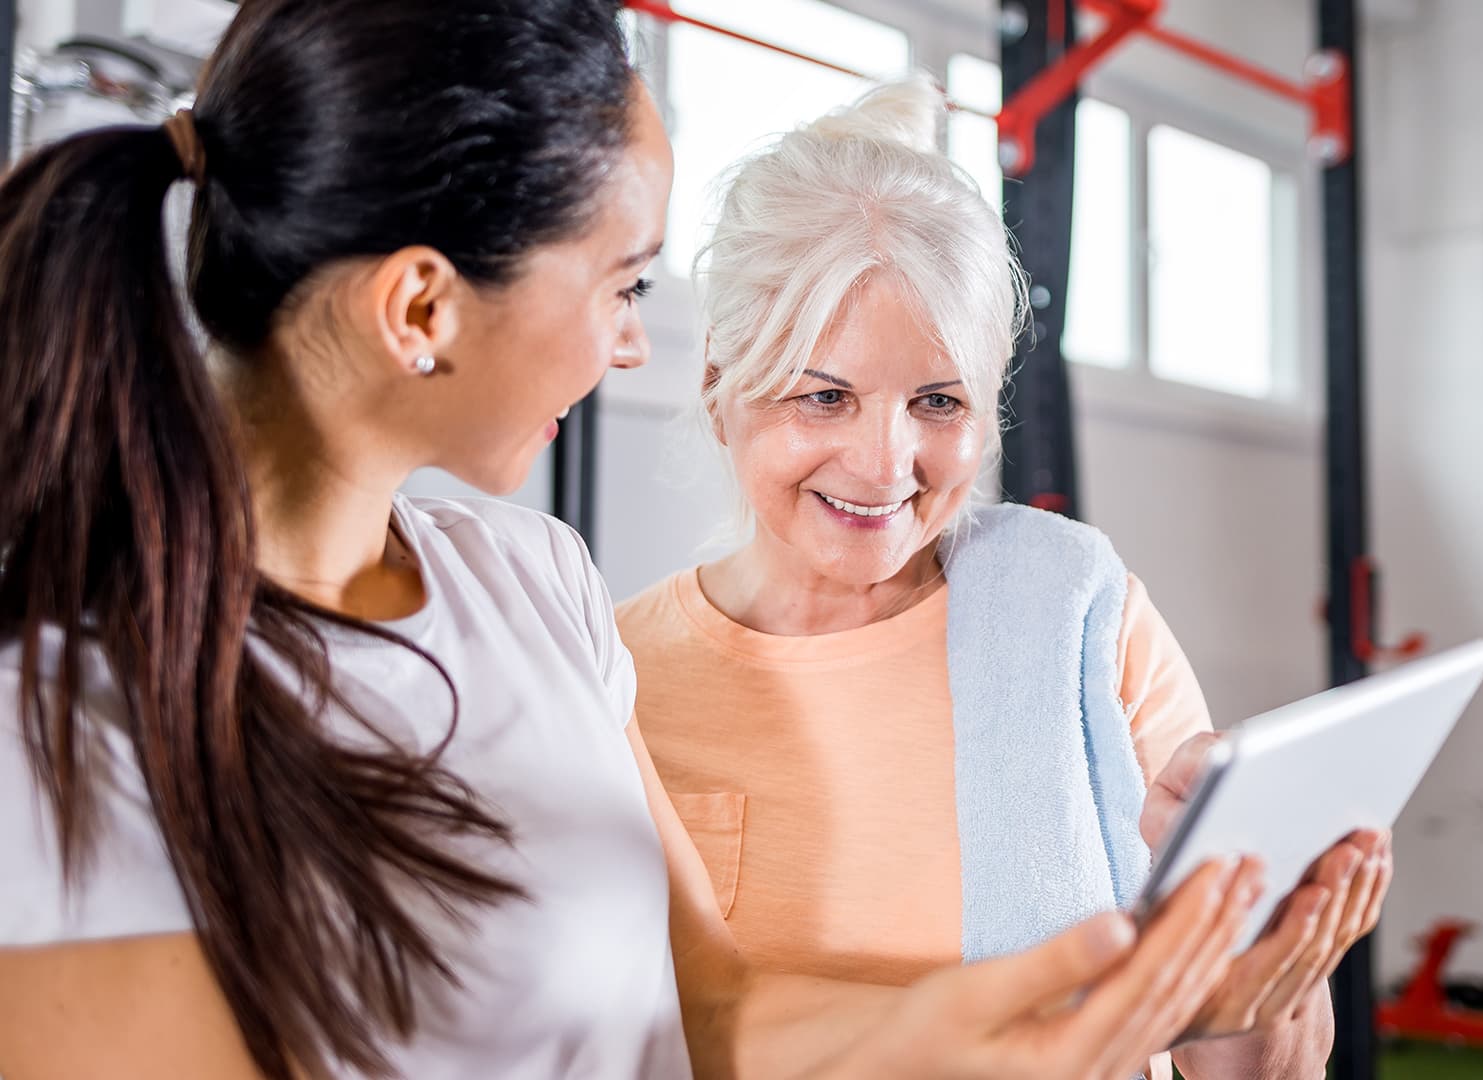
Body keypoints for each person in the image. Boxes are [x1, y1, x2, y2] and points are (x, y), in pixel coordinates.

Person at [0, 4, 1264, 1077]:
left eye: (938, 399)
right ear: (424, 306)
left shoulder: (533, 585)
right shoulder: (59, 711)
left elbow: (706, 1010)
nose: (627, 348)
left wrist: (1000, 1032)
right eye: (622, 283)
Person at [617, 76, 1393, 1080]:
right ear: (722, 384)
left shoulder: (1077, 617)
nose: (886, 463)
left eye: (938, 401)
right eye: (826, 396)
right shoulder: (615, 673)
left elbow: (1247, 1068)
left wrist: (1266, 955)